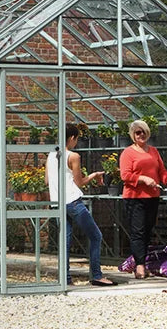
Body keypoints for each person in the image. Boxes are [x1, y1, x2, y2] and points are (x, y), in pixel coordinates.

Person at [48, 123, 116, 286]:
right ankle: (97, 276)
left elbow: (46, 180)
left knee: (65, 241)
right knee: (96, 236)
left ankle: (65, 278)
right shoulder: (73, 156)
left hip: (57, 203)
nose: (76, 143)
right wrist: (94, 175)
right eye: (76, 139)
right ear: (72, 138)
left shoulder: (51, 155)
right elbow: (79, 182)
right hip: (72, 202)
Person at [117, 119, 167, 279]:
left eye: (143, 132)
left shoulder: (153, 151)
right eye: (137, 132)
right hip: (134, 197)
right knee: (138, 231)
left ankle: (142, 262)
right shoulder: (128, 152)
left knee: (147, 231)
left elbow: (161, 171)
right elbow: (125, 175)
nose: (141, 135)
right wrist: (143, 179)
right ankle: (139, 267)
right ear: (133, 135)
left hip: (152, 197)